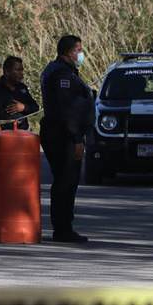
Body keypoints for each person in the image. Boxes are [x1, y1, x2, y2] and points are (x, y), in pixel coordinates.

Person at [39, 35, 94, 243]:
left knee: (65, 181)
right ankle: (63, 228)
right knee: (66, 182)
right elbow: (67, 111)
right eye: (79, 49)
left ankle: (63, 226)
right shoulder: (62, 74)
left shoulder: (58, 70)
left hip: (59, 132)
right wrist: (77, 138)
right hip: (63, 135)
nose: (81, 54)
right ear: (69, 52)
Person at [0, 56, 40, 135]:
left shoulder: (22, 89)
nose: (21, 73)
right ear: (7, 71)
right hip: (1, 136)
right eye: (17, 70)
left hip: (22, 136)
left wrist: (24, 107)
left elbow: (35, 108)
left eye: (22, 70)